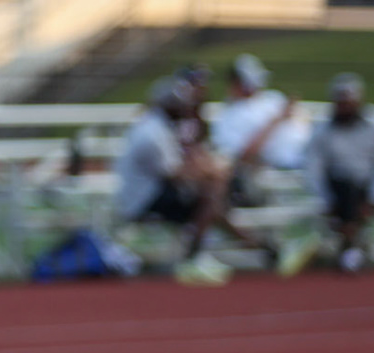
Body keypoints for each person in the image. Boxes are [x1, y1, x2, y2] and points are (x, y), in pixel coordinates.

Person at [114, 75, 278, 285]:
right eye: (179, 104)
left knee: (213, 201)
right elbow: (175, 173)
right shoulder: (153, 132)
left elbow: (186, 162)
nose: (184, 109)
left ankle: (258, 247)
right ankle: (199, 255)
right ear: (167, 105)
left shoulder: (159, 126)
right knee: (210, 200)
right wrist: (215, 173)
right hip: (143, 199)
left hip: (150, 192)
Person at [306, 73, 374, 273]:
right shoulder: (323, 130)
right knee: (347, 188)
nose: (344, 106)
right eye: (340, 101)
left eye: (348, 100)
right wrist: (327, 200)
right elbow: (314, 169)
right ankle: (351, 247)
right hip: (341, 189)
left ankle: (352, 245)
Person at [209, 54, 311, 198]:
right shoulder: (228, 117)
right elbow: (244, 155)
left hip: (308, 153)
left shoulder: (272, 97)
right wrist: (277, 119)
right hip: (285, 166)